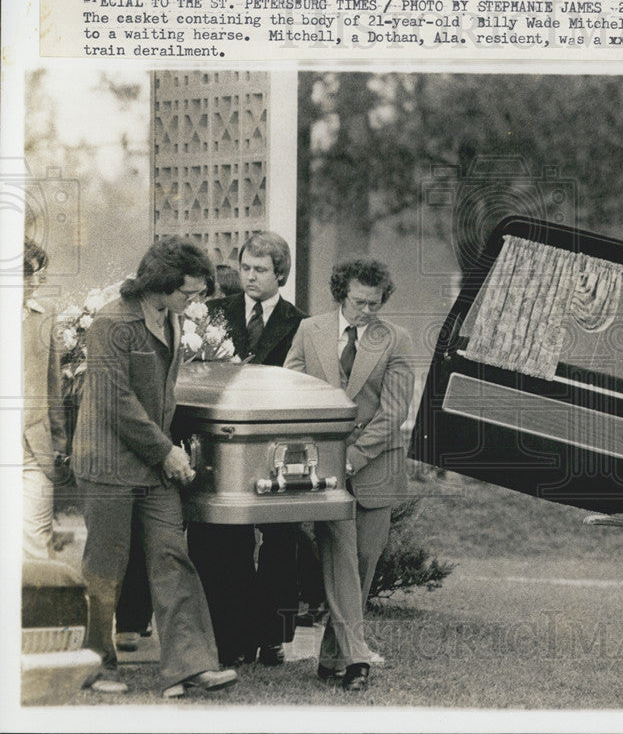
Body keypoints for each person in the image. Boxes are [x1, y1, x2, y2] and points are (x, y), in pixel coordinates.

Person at [72, 236, 236, 697]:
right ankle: (97, 664)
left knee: (171, 557)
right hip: (107, 465)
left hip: (153, 465)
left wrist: (165, 452)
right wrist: (166, 451)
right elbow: (116, 403)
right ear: (160, 285)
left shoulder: (172, 316)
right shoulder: (111, 324)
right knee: (106, 567)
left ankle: (191, 666)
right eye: (188, 292)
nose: (195, 301)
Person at [285, 258, 414, 691]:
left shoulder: (397, 340)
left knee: (361, 563)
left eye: (374, 304)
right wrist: (324, 455)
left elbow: (394, 412)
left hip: (376, 465)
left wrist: (353, 457)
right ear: (342, 293)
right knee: (340, 555)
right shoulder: (310, 331)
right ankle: (358, 660)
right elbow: (291, 390)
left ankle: (331, 658)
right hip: (327, 468)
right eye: (359, 302)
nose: (366, 311)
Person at [186, 231, 306, 667]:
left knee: (280, 540)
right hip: (226, 443)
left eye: (260, 270)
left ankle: (272, 636)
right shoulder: (214, 315)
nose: (250, 277)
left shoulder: (299, 323)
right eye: (246, 268)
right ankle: (228, 636)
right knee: (222, 539)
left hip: (275, 444)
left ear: (281, 275)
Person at [22, 238, 69, 560]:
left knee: (34, 547)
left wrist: (59, 446)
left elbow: (53, 388)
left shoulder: (43, 314)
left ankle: (32, 612)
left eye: (40, 274)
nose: (37, 282)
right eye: (31, 275)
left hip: (32, 452)